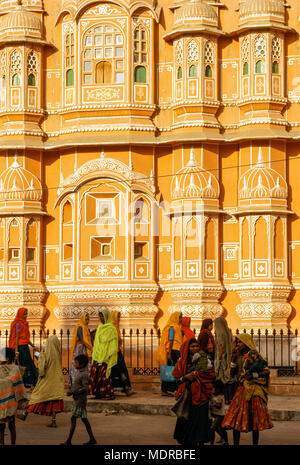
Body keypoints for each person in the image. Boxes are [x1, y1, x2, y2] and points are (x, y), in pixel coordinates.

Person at [222, 333, 273, 445]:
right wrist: (233, 359)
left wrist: (253, 376)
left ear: (245, 344)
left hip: (253, 390)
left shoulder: (254, 355)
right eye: (236, 342)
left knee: (254, 420)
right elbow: (231, 374)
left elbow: (266, 371)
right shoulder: (237, 357)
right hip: (241, 390)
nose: (237, 345)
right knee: (236, 419)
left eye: (239, 342)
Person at [172, 338, 215, 445]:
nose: (195, 348)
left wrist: (199, 376)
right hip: (188, 395)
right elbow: (177, 380)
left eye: (197, 346)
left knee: (201, 420)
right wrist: (185, 377)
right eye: (193, 346)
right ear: (188, 348)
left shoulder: (204, 359)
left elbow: (211, 375)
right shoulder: (182, 362)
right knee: (187, 419)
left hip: (202, 393)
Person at [23, 335, 65, 428]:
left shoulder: (45, 354)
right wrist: (39, 353)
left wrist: (39, 354)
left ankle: (24, 414)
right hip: (56, 382)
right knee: (54, 401)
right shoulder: (58, 355)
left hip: (46, 381)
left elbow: (42, 369)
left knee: (36, 396)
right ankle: (54, 422)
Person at [61, 354, 97, 446]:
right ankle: (92, 439)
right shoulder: (80, 373)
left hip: (80, 401)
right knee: (84, 419)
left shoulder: (84, 374)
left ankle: (68, 441)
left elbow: (85, 388)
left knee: (74, 419)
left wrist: (74, 392)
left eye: (76, 363)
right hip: (78, 400)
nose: (75, 364)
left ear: (81, 364)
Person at [0, 347, 27, 445]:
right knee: (1, 427)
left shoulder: (15, 369)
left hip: (11, 403)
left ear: (6, 358)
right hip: (1, 404)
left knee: (12, 426)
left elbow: (16, 383)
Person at [89, 309, 118, 400]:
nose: (101, 318)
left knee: (105, 376)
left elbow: (113, 344)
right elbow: (97, 343)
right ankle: (97, 394)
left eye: (102, 316)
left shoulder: (112, 329)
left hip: (106, 355)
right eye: (100, 316)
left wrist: (108, 354)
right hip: (98, 355)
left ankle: (108, 394)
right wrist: (95, 353)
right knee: (95, 374)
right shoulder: (99, 328)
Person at [8, 307, 38, 389]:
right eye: (24, 313)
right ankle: (28, 384)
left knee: (29, 364)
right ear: (20, 314)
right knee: (25, 365)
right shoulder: (18, 324)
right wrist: (17, 351)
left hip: (25, 347)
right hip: (21, 348)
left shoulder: (25, 323)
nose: (26, 315)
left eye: (26, 313)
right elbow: (17, 338)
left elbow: (26, 339)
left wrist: (33, 346)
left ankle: (32, 383)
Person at [158, 312, 183, 396]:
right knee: (171, 370)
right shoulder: (173, 327)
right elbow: (171, 339)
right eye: (179, 317)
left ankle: (166, 389)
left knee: (170, 369)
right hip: (173, 350)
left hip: (175, 349)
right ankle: (168, 389)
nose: (181, 319)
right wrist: (169, 352)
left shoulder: (175, 326)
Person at [110, 310, 134, 396]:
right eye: (118, 317)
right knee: (117, 370)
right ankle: (117, 389)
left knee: (122, 370)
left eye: (119, 317)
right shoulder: (112, 327)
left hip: (118, 351)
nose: (119, 318)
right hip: (113, 352)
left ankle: (126, 388)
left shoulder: (116, 326)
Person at [69, 313, 93, 388]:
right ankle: (75, 383)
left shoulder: (85, 328)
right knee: (78, 365)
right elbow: (82, 339)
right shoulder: (80, 327)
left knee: (84, 366)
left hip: (84, 348)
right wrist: (90, 348)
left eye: (88, 319)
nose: (87, 321)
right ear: (82, 319)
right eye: (86, 319)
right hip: (80, 348)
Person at [214, 316, 232, 403]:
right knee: (227, 379)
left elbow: (221, 346)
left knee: (222, 379)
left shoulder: (220, 333)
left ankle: (226, 399)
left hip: (222, 359)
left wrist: (219, 359)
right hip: (228, 357)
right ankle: (229, 398)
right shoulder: (228, 332)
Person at [210, 380, 228, 445]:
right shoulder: (214, 395)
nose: (214, 389)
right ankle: (224, 439)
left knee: (213, 428)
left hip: (220, 415)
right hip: (216, 414)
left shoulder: (221, 396)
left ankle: (212, 443)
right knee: (219, 428)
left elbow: (219, 405)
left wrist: (213, 404)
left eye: (215, 388)